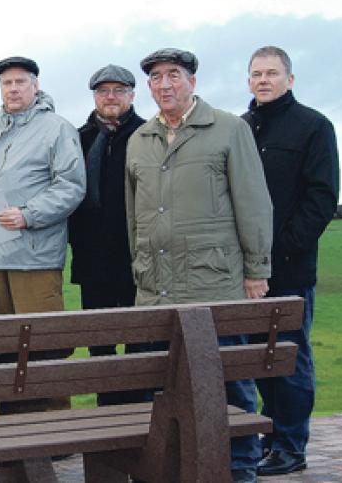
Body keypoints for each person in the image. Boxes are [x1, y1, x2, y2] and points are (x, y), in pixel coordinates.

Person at [125, 48, 273, 483]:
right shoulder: (140, 140)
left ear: (192, 81)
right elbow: (134, 216)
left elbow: (253, 202)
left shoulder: (228, 129)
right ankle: (176, 467)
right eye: (156, 77)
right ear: (149, 87)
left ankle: (240, 466)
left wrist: (256, 269)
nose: (165, 84)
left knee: (229, 385)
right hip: (155, 291)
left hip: (214, 284)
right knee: (165, 389)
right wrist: (139, 266)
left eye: (174, 75)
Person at [0, 56, 86, 415]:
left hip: (35, 257)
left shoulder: (56, 129)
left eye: (20, 82)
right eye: (7, 83)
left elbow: (71, 186)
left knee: (45, 345)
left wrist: (28, 216)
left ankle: (53, 428)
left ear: (36, 86)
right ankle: (11, 429)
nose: (13, 89)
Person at [242, 46, 339, 476]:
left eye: (272, 73)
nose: (264, 80)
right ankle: (268, 438)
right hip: (245, 274)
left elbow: (321, 200)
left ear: (290, 79)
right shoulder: (239, 129)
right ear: (248, 81)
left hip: (289, 269)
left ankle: (290, 445)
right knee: (257, 360)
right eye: (257, 74)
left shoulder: (314, 127)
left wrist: (277, 255)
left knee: (290, 358)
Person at [67, 64, 146, 406]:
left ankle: (137, 415)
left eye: (118, 91)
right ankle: (108, 415)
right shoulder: (77, 139)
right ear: (94, 96)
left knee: (138, 340)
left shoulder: (147, 135)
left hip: (136, 259)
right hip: (92, 260)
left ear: (131, 95)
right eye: (103, 91)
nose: (110, 97)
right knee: (99, 341)